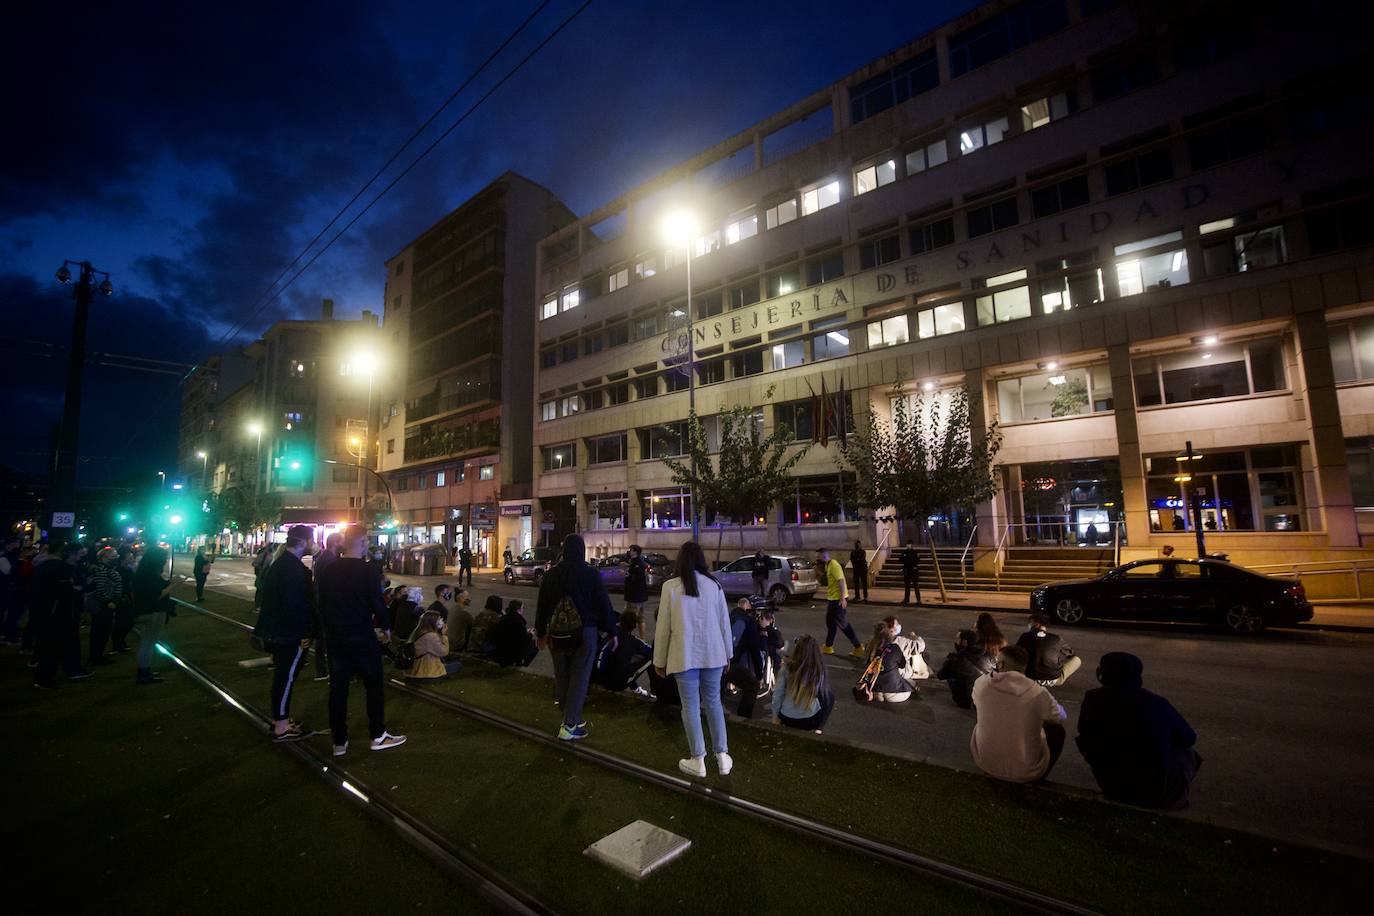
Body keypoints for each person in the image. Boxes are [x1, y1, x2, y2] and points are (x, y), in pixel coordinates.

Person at [316, 524, 406, 755]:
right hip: (361, 635)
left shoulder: (328, 569)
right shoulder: (367, 571)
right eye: (366, 541)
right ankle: (377, 734)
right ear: (363, 542)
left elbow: (321, 603)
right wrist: (386, 628)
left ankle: (339, 741)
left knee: (338, 688)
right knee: (373, 685)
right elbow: (377, 602)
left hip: (336, 637)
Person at [1077, 652, 1202, 809]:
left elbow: (1084, 734)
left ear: (1101, 673)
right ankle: (1174, 796)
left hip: (1110, 783)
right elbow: (1189, 738)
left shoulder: (1092, 698)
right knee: (1186, 752)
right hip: (1152, 789)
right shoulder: (1155, 703)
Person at [653, 541, 733, 778]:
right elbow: (724, 624)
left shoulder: (670, 587)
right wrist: (728, 654)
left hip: (683, 654)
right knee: (713, 702)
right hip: (713, 654)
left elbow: (663, 627)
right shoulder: (714, 585)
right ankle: (722, 756)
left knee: (689, 707)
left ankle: (698, 759)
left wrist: (660, 659)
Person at [536, 534, 616, 741]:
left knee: (562, 676)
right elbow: (603, 604)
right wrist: (611, 632)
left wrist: (541, 632)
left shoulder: (551, 574)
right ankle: (570, 724)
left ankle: (569, 717)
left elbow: (542, 605)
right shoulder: (590, 573)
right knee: (579, 677)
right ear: (582, 550)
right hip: (584, 632)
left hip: (556, 633)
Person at [252, 525, 318, 741]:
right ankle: (281, 724)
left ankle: (280, 719)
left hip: (280, 632)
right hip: (289, 634)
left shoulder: (282, 564)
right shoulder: (292, 569)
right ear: (302, 541)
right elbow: (295, 605)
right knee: (286, 677)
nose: (313, 544)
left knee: (283, 675)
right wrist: (304, 633)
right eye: (311, 540)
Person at [970, 645, 1067, 783]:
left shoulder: (981, 683)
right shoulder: (1037, 692)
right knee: (1057, 731)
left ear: (1001, 664)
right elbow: (1060, 717)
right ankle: (1039, 777)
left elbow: (976, 702)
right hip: (1026, 772)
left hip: (985, 762)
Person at [32, 542, 92, 688]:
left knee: (53, 645)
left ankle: (50, 675)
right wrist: (78, 588)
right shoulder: (60, 568)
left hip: (48, 610)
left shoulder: (42, 566)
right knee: (53, 646)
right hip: (58, 611)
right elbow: (65, 590)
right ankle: (45, 679)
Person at [131, 546, 182, 685]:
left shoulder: (142, 572)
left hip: (144, 610)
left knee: (146, 641)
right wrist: (174, 584)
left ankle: (144, 670)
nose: (165, 561)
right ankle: (144, 672)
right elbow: (157, 595)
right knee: (148, 642)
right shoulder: (150, 575)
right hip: (153, 611)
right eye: (164, 558)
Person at [771, 635, 834, 734]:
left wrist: (775, 718)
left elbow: (778, 694)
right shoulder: (818, 670)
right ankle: (819, 729)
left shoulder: (786, 668)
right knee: (829, 695)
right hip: (809, 720)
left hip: (786, 717)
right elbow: (822, 694)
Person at [816, 547, 863, 657]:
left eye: (818, 556)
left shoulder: (834, 565)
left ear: (824, 555)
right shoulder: (828, 566)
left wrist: (842, 598)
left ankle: (858, 647)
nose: (817, 558)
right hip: (833, 599)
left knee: (843, 624)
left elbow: (841, 581)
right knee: (830, 622)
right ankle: (828, 646)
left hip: (838, 600)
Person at [1016, 612, 1081, 687]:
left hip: (1029, 678)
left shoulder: (1025, 636)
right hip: (1052, 679)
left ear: (1037, 624)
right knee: (1076, 660)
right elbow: (1071, 653)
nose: (1029, 625)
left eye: (1030, 623)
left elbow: (1016, 653)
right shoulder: (1056, 638)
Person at [310, 532, 342, 682]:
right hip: (326, 604)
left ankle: (321, 670)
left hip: (321, 602)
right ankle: (325, 670)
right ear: (335, 542)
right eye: (341, 541)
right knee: (326, 638)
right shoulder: (330, 560)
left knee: (322, 639)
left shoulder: (325, 557)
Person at [595, 609, 652, 693]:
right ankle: (643, 689)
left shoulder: (609, 633)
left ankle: (635, 687)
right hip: (616, 683)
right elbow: (651, 650)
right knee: (652, 657)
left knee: (622, 660)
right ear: (634, 626)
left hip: (598, 677)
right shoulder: (632, 641)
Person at [936, 629, 994, 709]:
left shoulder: (956, 659)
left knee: (952, 675)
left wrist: (948, 663)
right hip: (985, 697)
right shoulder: (988, 654)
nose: (956, 642)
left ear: (964, 642)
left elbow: (940, 675)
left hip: (964, 700)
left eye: (958, 639)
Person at [858, 616, 911, 702]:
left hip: (874, 687)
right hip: (894, 692)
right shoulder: (894, 648)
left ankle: (879, 693)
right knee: (908, 682)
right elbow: (902, 665)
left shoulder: (869, 646)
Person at [85, 546, 123, 666]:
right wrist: (108, 601)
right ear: (103, 558)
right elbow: (100, 587)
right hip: (104, 605)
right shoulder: (102, 570)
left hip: (108, 603)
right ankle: (96, 656)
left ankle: (98, 655)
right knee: (100, 631)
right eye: (113, 556)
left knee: (104, 631)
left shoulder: (107, 568)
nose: (116, 558)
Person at [406, 611, 461, 682]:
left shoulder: (418, 631)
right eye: (439, 619)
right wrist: (444, 635)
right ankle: (443, 677)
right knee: (458, 665)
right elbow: (444, 652)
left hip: (415, 670)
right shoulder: (430, 636)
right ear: (433, 622)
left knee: (447, 662)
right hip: (426, 673)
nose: (441, 621)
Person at [487, 599, 539, 667]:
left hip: (498, 653)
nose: (523, 609)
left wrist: (525, 632)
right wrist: (530, 634)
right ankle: (522, 664)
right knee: (536, 644)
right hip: (510, 656)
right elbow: (522, 642)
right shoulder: (518, 622)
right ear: (519, 610)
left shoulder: (502, 619)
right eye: (522, 608)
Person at [110, 546, 137, 653]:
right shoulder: (117, 570)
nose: (132, 558)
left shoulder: (128, 569)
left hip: (127, 598)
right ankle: (117, 643)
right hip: (121, 598)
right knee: (122, 622)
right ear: (123, 557)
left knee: (128, 621)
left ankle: (120, 642)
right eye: (130, 556)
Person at [624, 544, 650, 635]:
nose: (629, 551)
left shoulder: (637, 563)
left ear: (635, 552)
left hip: (635, 595)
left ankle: (628, 637)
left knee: (630, 618)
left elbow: (635, 579)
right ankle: (642, 638)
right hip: (640, 595)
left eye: (631, 550)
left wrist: (626, 574)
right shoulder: (637, 562)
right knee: (640, 618)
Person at [902, 540, 922, 606]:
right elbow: (900, 559)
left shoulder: (914, 552)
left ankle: (918, 600)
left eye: (909, 544)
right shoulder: (904, 552)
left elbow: (917, 560)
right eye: (907, 544)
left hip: (913, 571)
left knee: (916, 586)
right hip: (907, 571)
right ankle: (906, 599)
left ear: (911, 545)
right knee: (907, 586)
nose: (908, 545)